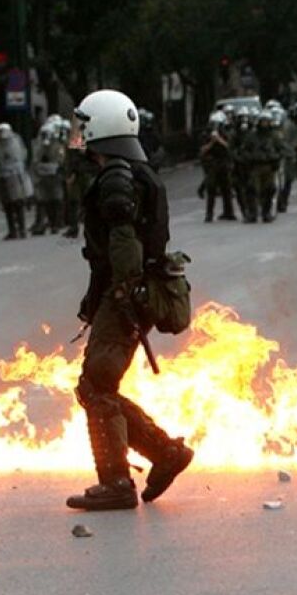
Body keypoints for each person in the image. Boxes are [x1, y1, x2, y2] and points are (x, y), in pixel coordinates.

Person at [67, 89, 193, 511]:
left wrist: (125, 291)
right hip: (128, 292)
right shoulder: (134, 171)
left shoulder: (117, 177)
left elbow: (123, 242)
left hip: (128, 294)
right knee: (98, 385)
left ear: (100, 127)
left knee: (96, 385)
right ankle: (165, 454)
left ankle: (118, 482)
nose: (78, 134)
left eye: (83, 125)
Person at [0, 123, 29, 240]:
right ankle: (12, 230)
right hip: (2, 176)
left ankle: (22, 229)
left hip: (15, 175)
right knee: (7, 205)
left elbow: (21, 155)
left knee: (18, 203)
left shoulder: (14, 141)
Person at [30, 123, 66, 236]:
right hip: (43, 177)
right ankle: (49, 223)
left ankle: (55, 224)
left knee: (56, 200)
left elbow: (61, 159)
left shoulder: (57, 146)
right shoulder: (39, 146)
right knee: (46, 201)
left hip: (54, 176)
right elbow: (35, 160)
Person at [199, 111, 235, 222]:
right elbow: (202, 151)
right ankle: (209, 214)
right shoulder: (206, 134)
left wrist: (219, 139)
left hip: (224, 163)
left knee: (227, 189)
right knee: (211, 189)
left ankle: (229, 212)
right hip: (212, 164)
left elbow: (230, 147)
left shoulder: (226, 133)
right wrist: (211, 142)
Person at [62, 124, 95, 239]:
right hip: (82, 173)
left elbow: (76, 159)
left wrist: (72, 173)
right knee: (76, 202)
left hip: (82, 174)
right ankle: (75, 227)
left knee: (80, 202)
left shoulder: (80, 138)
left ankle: (78, 228)